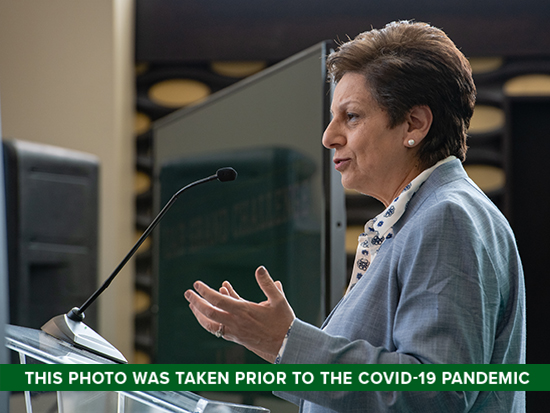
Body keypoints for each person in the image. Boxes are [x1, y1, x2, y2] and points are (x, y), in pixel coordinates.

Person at [184, 20, 526, 412]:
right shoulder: (422, 216)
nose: (329, 136)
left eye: (351, 116)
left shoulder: (447, 218)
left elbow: (433, 394)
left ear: (414, 124)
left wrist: (285, 343)